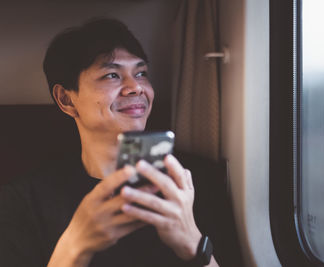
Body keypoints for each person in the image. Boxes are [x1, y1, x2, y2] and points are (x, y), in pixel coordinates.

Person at [0, 18, 242, 267]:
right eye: (112, 75)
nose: (136, 87)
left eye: (141, 73)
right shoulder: (23, 201)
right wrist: (76, 244)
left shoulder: (195, 179)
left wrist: (192, 241)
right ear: (67, 100)